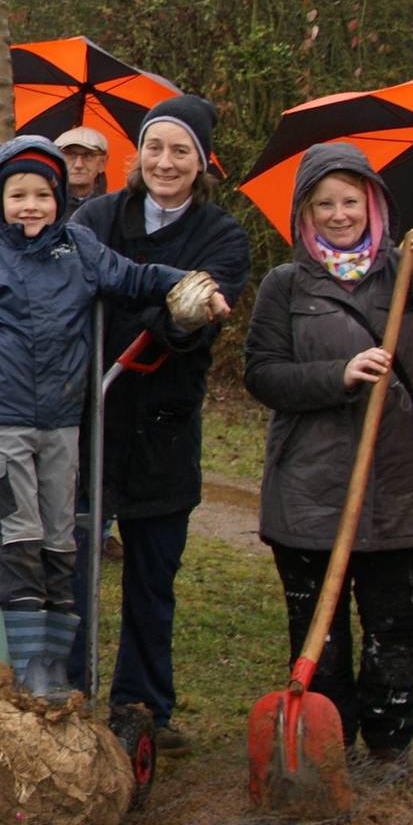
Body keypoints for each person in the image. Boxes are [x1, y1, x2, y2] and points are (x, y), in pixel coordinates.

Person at [0, 135, 218, 700]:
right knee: (17, 539)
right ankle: (28, 664)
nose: (31, 206)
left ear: (60, 198)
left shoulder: (82, 251)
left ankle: (56, 665)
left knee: (61, 539)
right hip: (2, 421)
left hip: (64, 419)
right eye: (18, 195)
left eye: (43, 194)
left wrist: (185, 285)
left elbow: (135, 279)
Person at [243, 143, 413, 761]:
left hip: (398, 488)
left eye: (351, 200)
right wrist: (338, 375)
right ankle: (326, 748)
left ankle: (389, 750)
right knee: (321, 639)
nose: (339, 214)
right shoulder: (286, 285)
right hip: (309, 491)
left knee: (396, 634)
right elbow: (263, 376)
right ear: (306, 212)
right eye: (325, 203)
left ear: (374, 204)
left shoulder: (409, 270)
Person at [67, 95, 251, 750]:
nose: (165, 162)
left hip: (163, 422)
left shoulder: (223, 235)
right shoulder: (96, 216)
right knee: (75, 560)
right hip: (91, 415)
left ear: (201, 162)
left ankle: (144, 703)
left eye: (180, 151)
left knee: (151, 572)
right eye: (155, 148)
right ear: (136, 155)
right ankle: (68, 692)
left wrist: (153, 312)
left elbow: (195, 315)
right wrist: (162, 298)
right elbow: (74, 285)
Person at [54, 126, 110, 205]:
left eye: (88, 155)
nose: (78, 165)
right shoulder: (44, 207)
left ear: (103, 163)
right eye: (70, 154)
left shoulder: (115, 210)